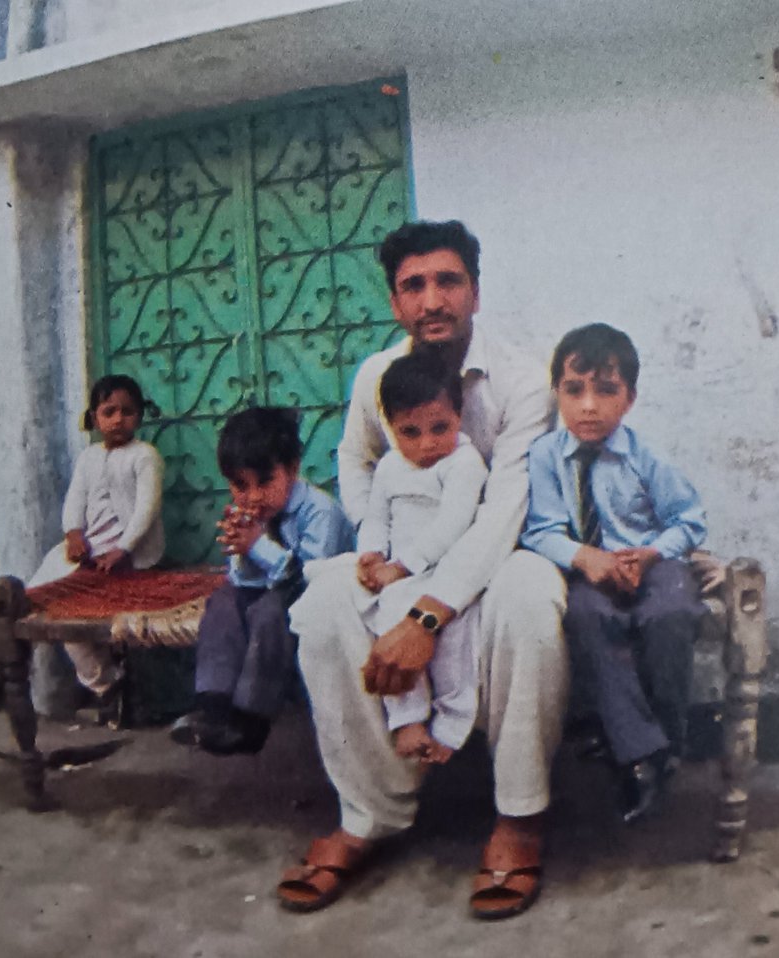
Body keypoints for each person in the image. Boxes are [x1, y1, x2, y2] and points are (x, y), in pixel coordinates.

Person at [279, 220, 564, 920]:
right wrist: (375, 539)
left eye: (448, 281)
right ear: (393, 300)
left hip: (498, 556)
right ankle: (368, 815)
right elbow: (356, 458)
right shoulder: (378, 374)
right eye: (414, 286)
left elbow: (506, 508)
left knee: (532, 595)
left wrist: (427, 614)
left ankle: (519, 816)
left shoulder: (523, 380)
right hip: (406, 555)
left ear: (474, 290)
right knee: (322, 603)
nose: (432, 299)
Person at [521, 323, 707, 825]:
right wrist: (586, 558)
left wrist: (650, 554)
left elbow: (689, 521)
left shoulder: (646, 456)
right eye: (574, 389)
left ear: (629, 399)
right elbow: (539, 531)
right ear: (557, 391)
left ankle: (668, 742)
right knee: (584, 616)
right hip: (591, 571)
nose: (588, 406)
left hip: (653, 566)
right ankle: (639, 754)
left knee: (670, 613)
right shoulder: (543, 458)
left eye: (606, 391)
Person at [169, 407, 353, 755]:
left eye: (265, 482)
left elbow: (311, 577)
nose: (253, 497)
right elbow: (243, 581)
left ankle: (251, 719)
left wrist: (258, 546)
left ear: (293, 469)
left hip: (318, 599)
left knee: (270, 611)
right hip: (273, 593)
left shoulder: (319, 511)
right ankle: (212, 707)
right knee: (223, 601)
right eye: (240, 485)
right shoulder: (250, 515)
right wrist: (242, 549)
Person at [352, 351, 489, 765]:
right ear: (390, 426)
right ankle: (408, 718)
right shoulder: (391, 466)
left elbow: (452, 524)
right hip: (403, 578)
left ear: (459, 415)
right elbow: (377, 515)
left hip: (450, 571)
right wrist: (371, 552)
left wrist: (401, 565)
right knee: (390, 617)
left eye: (439, 428)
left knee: (455, 641)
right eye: (410, 432)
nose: (427, 443)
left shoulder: (465, 462)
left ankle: (451, 723)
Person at [28, 375, 164, 710]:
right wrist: (73, 533)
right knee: (44, 603)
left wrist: (124, 548)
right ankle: (102, 680)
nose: (118, 419)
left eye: (128, 411)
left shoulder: (144, 456)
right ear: (93, 417)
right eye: (109, 411)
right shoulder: (88, 457)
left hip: (127, 555)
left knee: (74, 608)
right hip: (88, 552)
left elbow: (148, 507)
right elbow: (75, 499)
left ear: (140, 416)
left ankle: (104, 683)